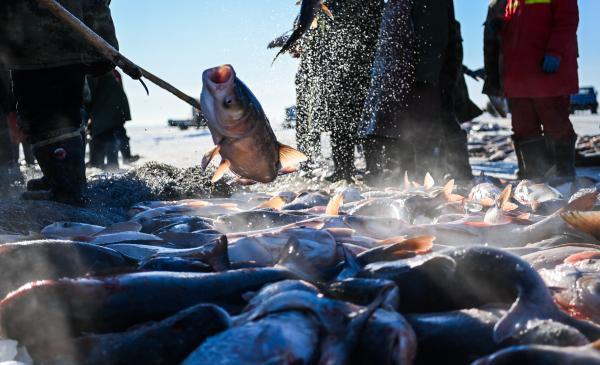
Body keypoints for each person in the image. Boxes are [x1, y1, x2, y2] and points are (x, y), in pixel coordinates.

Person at [0, 0, 119, 205]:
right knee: (54, 116)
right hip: (56, 42)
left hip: (38, 43)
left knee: (45, 118)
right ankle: (59, 178)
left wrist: (104, 42)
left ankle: (67, 188)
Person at [363, 0, 467, 184]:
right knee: (400, 129)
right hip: (399, 74)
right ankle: (403, 178)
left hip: (423, 75)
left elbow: (437, 34)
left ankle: (448, 178)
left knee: (426, 130)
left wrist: (425, 74)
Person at [498, 0, 579, 180]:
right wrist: (501, 25)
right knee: (523, 126)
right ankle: (535, 177)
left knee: (555, 122)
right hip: (518, 76)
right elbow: (513, 29)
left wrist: (555, 52)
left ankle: (563, 176)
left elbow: (567, 21)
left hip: (547, 73)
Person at [86, 69, 132, 170]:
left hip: (105, 112)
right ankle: (115, 162)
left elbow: (89, 94)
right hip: (115, 111)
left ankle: (106, 165)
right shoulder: (111, 71)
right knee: (112, 134)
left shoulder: (93, 72)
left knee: (106, 137)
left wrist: (86, 113)